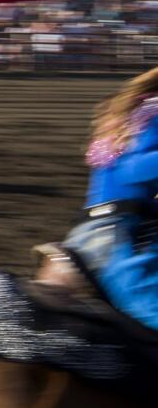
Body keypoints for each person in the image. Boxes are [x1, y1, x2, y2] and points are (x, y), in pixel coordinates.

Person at [66, 67, 158, 330]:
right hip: (117, 236)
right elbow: (133, 169)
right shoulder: (153, 111)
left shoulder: (136, 113)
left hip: (114, 228)